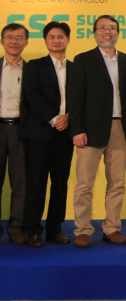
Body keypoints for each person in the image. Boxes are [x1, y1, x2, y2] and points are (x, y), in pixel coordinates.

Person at [68, 15, 126, 248]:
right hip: (89, 130)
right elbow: (74, 99)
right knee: (84, 184)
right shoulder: (83, 60)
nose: (108, 32)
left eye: (112, 28)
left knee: (117, 183)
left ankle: (111, 228)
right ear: (94, 33)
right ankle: (83, 230)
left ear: (118, 32)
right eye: (102, 28)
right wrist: (77, 129)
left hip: (119, 127)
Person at [21, 22, 74, 247]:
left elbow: (81, 98)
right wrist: (55, 118)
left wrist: (69, 117)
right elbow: (33, 97)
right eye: (51, 37)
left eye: (60, 36)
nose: (56, 40)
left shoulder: (76, 68)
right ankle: (32, 230)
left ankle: (55, 229)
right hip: (40, 134)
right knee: (36, 184)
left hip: (66, 135)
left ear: (68, 40)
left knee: (60, 184)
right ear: (45, 41)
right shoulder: (34, 66)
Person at [0, 23, 29, 245]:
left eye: (19, 37)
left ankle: (16, 227)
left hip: (21, 130)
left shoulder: (33, 71)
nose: (14, 41)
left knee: (21, 182)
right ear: (2, 41)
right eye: (9, 37)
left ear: (26, 43)